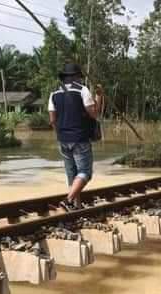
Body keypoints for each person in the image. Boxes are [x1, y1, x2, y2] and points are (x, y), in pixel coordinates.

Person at [48, 63, 104, 211]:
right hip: (80, 139)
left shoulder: (54, 93)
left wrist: (61, 134)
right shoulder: (82, 90)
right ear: (75, 77)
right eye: (79, 76)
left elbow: (52, 120)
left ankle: (76, 206)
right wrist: (99, 96)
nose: (80, 79)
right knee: (85, 173)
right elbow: (94, 114)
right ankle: (68, 200)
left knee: (72, 174)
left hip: (63, 139)